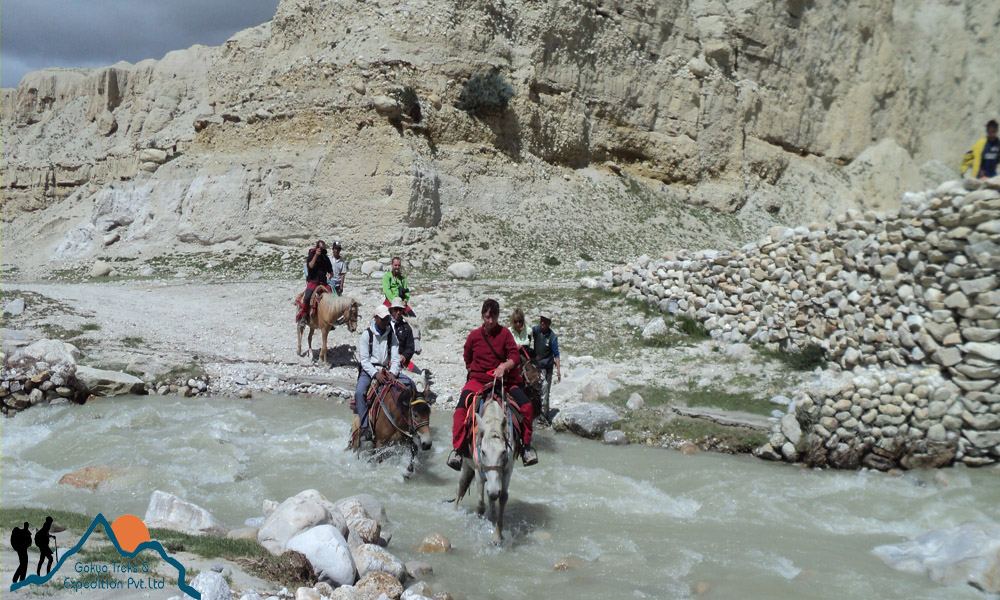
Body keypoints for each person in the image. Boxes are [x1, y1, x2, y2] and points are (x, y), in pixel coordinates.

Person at [447, 299, 537, 470]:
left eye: (493, 317)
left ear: (497, 317)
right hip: (478, 381)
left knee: (526, 406)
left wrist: (503, 366)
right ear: (483, 316)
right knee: (460, 410)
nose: (490, 321)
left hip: (503, 381)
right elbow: (467, 357)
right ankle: (458, 450)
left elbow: (515, 357)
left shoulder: (504, 334)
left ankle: (526, 448)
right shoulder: (474, 336)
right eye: (487, 317)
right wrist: (474, 371)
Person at [355, 306, 412, 439]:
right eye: (383, 319)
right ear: (375, 318)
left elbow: (396, 357)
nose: (386, 321)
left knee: (410, 385)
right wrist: (375, 374)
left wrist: (392, 372)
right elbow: (364, 360)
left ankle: (410, 422)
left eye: (387, 318)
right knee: (360, 392)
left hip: (387, 370)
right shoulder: (366, 335)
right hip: (369, 370)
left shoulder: (391, 334)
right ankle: (364, 427)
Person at [531, 313, 562, 423]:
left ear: (549, 323)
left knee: (546, 391)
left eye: (545, 321)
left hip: (547, 367)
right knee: (535, 390)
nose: (542, 323)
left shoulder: (552, 337)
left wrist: (558, 371)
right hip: (536, 366)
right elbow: (527, 333)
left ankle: (545, 417)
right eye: (541, 320)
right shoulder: (535, 330)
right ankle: (536, 413)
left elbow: (556, 354)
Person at [298, 240, 333, 326]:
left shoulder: (326, 258)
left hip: (323, 283)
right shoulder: (312, 255)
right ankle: (303, 316)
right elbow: (310, 266)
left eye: (323, 248)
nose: (322, 250)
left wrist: (330, 274)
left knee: (332, 297)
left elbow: (330, 271)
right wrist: (316, 255)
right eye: (320, 248)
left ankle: (331, 318)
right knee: (307, 297)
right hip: (313, 282)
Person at [389, 297, 419, 373]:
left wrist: (404, 356)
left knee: (420, 376)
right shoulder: (385, 325)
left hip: (402, 361)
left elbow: (410, 347)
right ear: (391, 310)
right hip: (387, 360)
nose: (398, 312)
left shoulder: (406, 327)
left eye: (400, 310)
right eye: (396, 309)